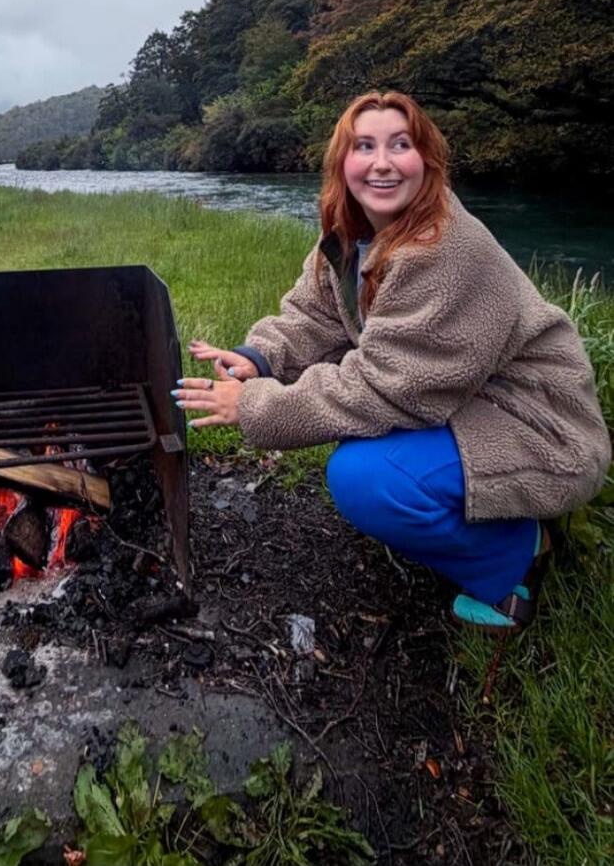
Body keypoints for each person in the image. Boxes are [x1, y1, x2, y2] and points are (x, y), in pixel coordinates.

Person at [171, 90, 611, 632]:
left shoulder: (446, 250)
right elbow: (314, 316)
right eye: (364, 146)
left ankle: (517, 557)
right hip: (467, 400)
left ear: (426, 159)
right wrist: (257, 358)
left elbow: (386, 389)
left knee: (365, 478)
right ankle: (480, 516)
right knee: (367, 449)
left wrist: (258, 406)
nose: (381, 162)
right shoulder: (350, 234)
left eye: (400, 144)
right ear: (342, 162)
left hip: (540, 426)